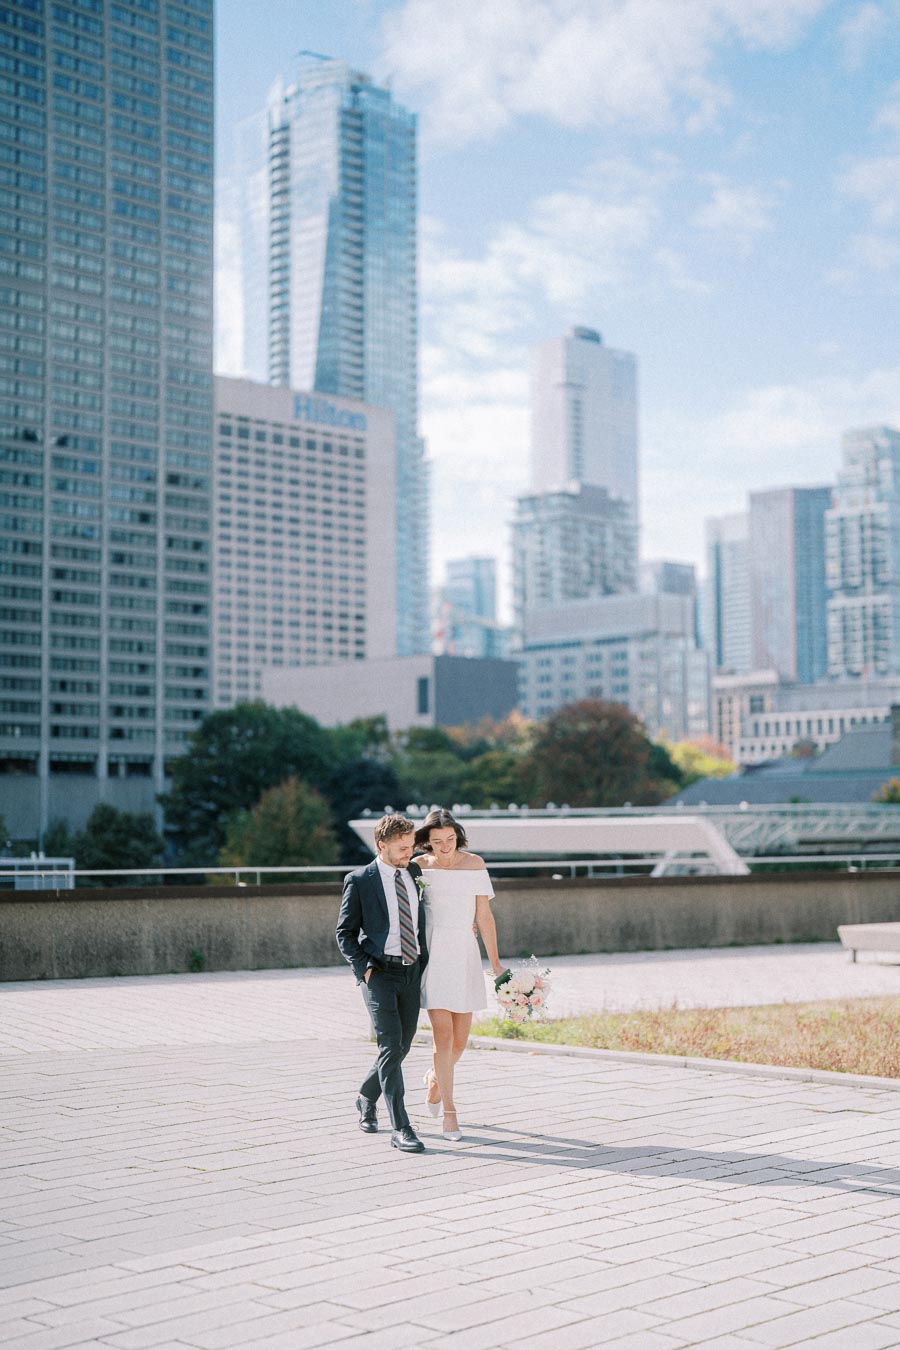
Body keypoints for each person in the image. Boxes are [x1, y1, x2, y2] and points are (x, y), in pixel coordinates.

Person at [336, 813, 429, 1154]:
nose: (409, 853)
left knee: (402, 1046)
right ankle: (401, 1127)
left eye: (411, 846)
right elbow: (344, 933)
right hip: (379, 973)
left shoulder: (415, 873)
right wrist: (365, 969)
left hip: (411, 970)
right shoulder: (360, 880)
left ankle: (365, 1097)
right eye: (403, 848)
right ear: (382, 845)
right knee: (390, 1045)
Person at [415, 807, 507, 1141]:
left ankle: (436, 1079)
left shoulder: (475, 865)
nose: (444, 846)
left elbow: (484, 916)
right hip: (434, 956)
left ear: (458, 837)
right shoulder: (419, 867)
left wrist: (495, 963)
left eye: (450, 839)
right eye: (437, 841)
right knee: (442, 1037)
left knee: (459, 1043)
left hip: (465, 955)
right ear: (427, 841)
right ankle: (450, 1114)